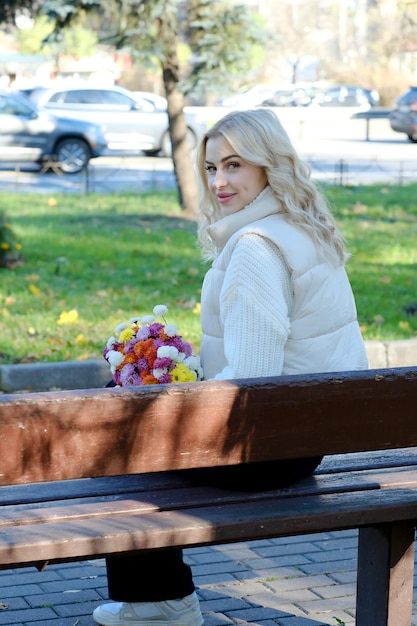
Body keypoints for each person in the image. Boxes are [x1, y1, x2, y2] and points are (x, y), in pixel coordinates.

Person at [92, 108, 369, 626]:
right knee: (141, 407)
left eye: (235, 165)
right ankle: (159, 601)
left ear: (269, 166)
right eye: (213, 167)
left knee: (125, 427)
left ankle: (161, 603)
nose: (219, 181)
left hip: (268, 448)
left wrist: (165, 400)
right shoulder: (301, 229)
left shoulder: (255, 249)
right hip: (308, 435)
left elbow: (253, 383)